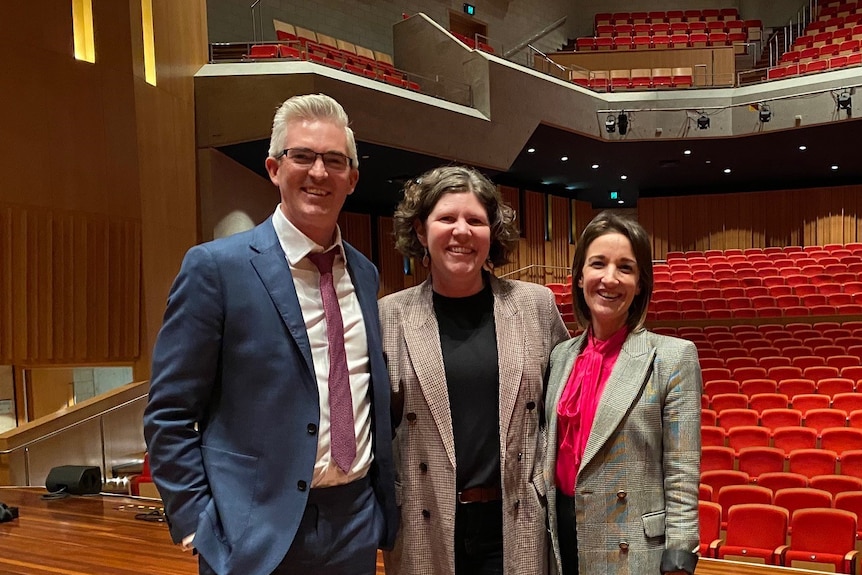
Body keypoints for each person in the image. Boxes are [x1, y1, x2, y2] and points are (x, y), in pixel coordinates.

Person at [143, 93, 397, 575]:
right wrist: (199, 523)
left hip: (355, 525)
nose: (318, 172)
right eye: (302, 156)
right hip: (253, 533)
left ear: (353, 179)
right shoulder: (216, 268)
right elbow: (169, 412)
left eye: (334, 161)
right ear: (274, 168)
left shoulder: (363, 273)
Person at [379, 165, 570, 575]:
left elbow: (561, 412)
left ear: (492, 232)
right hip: (424, 518)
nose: (462, 231)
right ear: (419, 229)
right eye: (447, 218)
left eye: (476, 220)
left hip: (515, 518)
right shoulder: (388, 316)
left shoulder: (536, 305)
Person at [544, 211, 701, 575]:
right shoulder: (561, 356)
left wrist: (680, 557)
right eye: (598, 264)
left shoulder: (673, 356)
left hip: (630, 543)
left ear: (641, 283)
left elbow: (681, 472)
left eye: (625, 268)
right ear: (580, 275)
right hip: (561, 536)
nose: (609, 278)